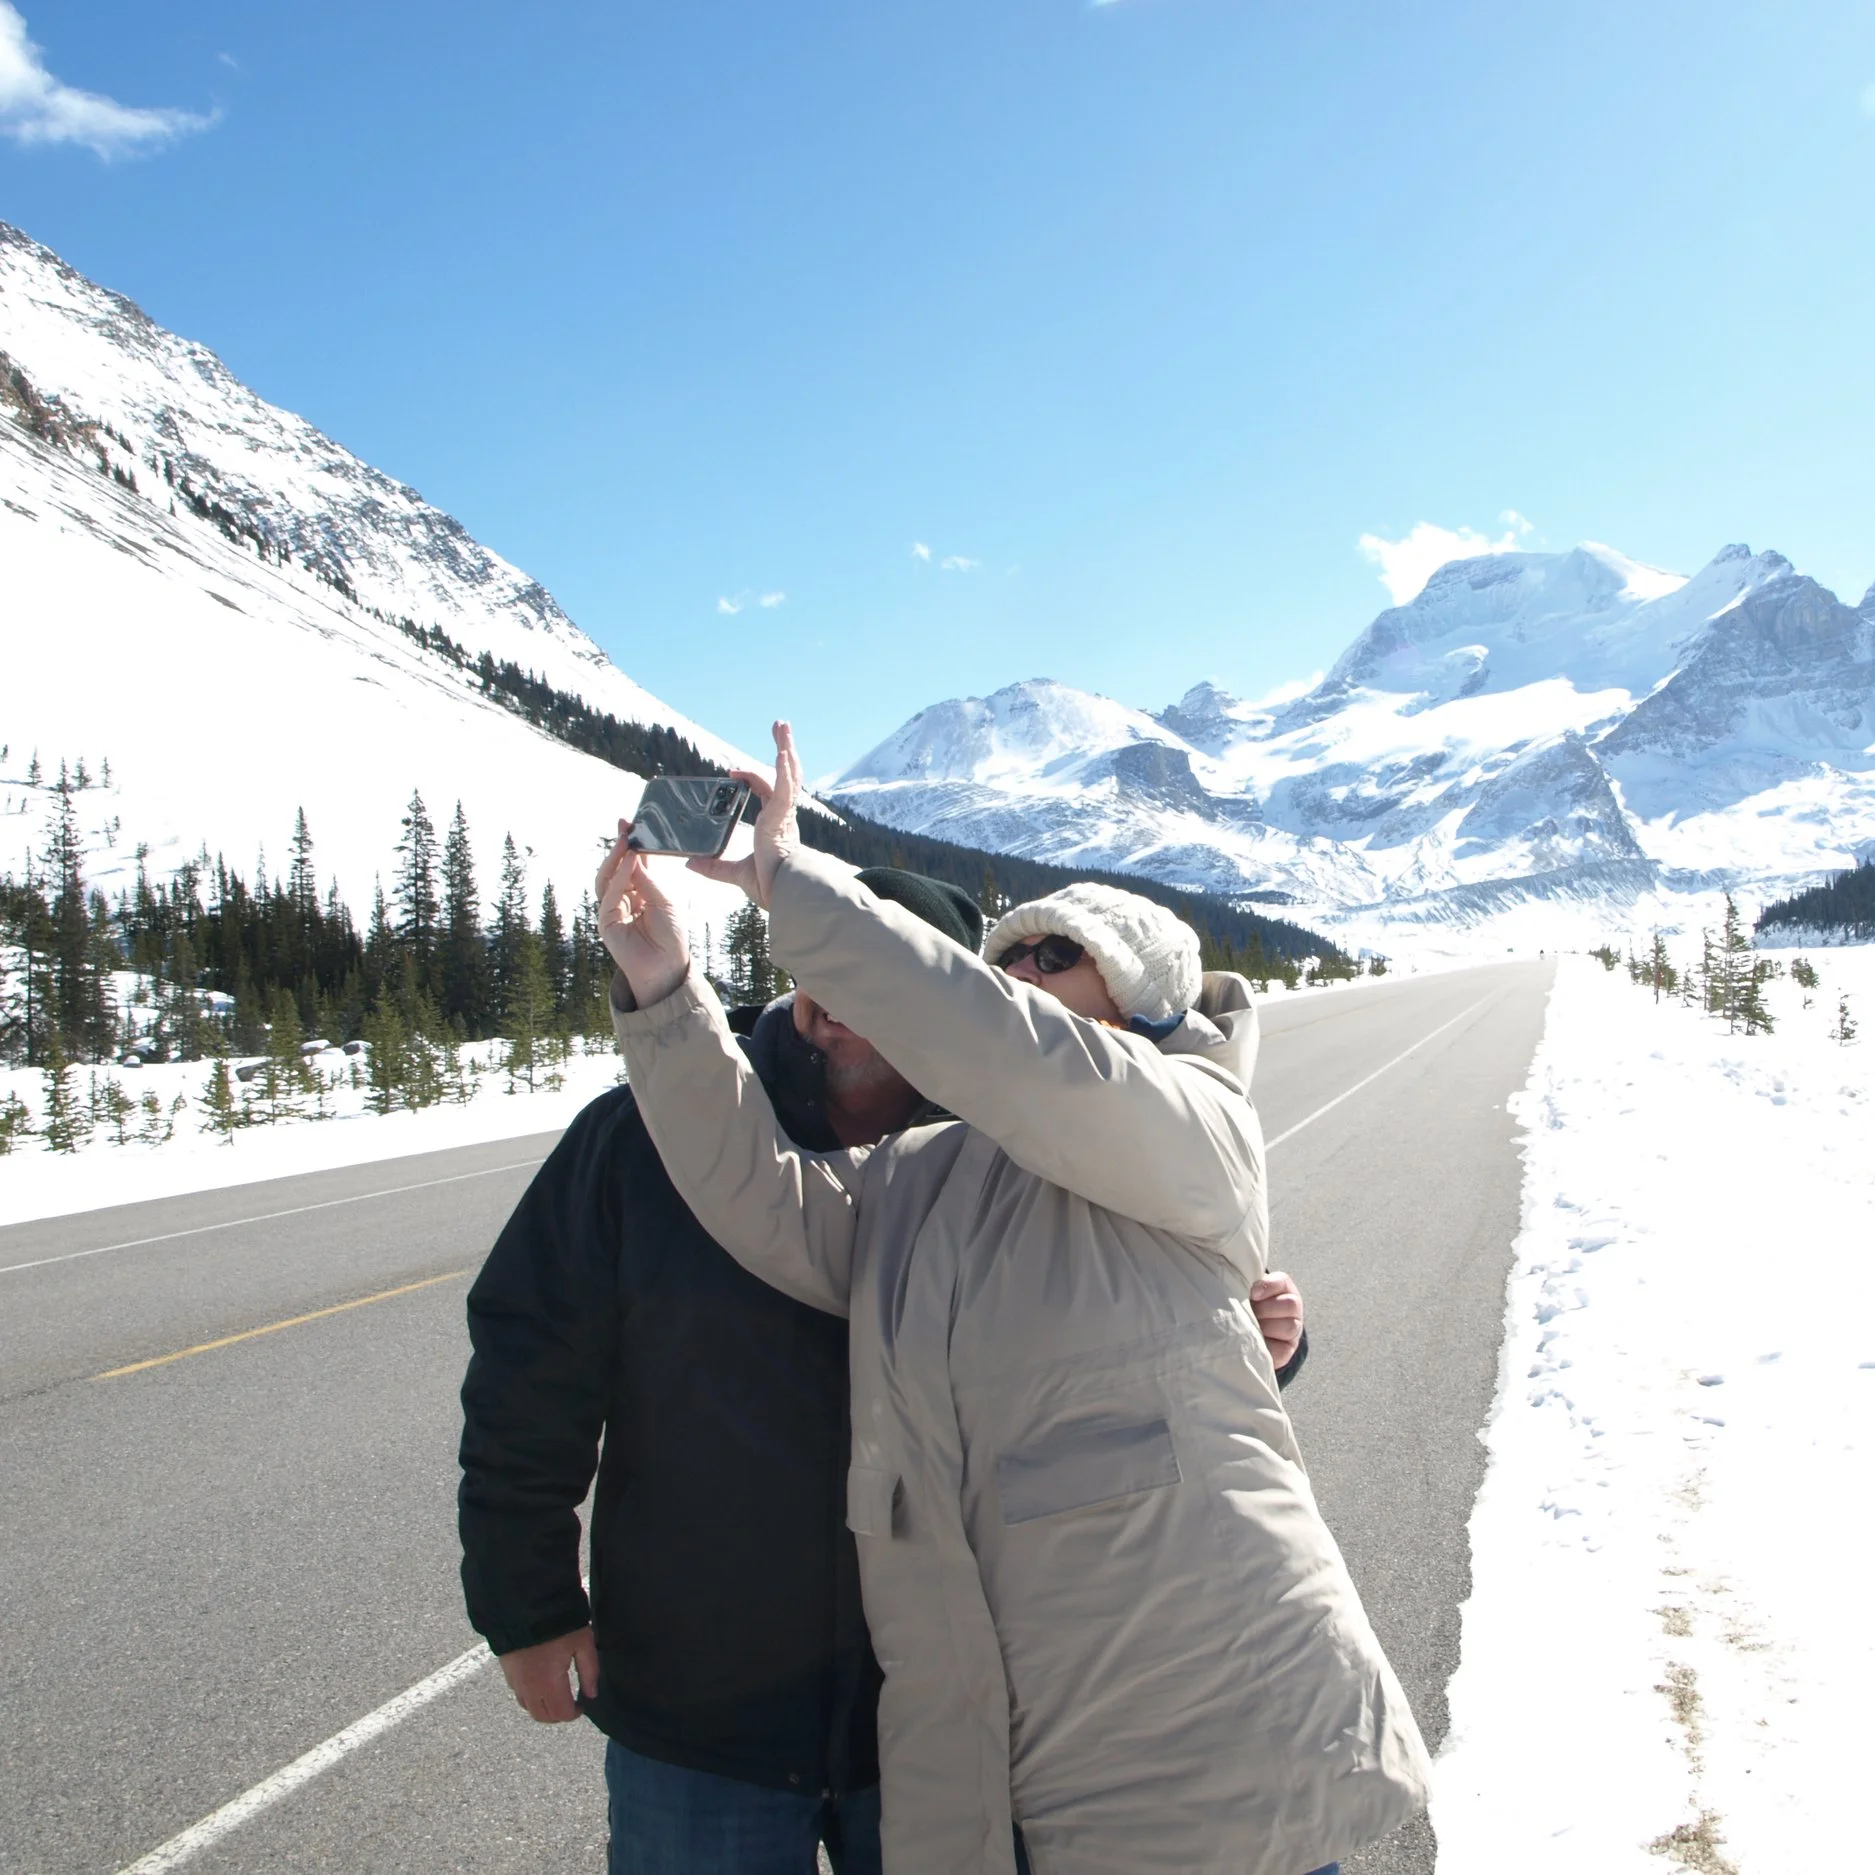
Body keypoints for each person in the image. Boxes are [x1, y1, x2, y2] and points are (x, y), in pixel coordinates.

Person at [600, 723, 1430, 1875]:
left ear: (1139, 1001)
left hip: (1216, 1757)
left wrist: (787, 883)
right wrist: (663, 991)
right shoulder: (927, 1175)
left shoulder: (1190, 1130)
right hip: (1015, 1787)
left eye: (1055, 957)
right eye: (1013, 956)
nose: (1020, 974)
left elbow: (1001, 1047)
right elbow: (759, 1197)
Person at [459, 863, 1313, 1875]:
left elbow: (1132, 1337)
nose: (838, 1007)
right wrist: (530, 1604)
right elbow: (531, 1365)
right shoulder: (650, 1136)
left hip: (939, 1723)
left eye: (883, 975)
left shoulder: (1026, 1152)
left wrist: (1259, 1337)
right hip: (702, 1716)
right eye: (825, 975)